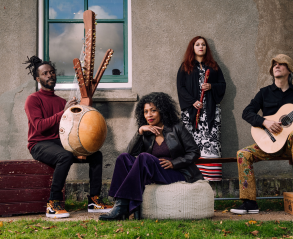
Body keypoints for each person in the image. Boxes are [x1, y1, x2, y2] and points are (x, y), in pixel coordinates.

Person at [230, 54, 293, 215]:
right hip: (269, 145)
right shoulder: (264, 93)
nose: (276, 66)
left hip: (291, 147)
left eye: (281, 64)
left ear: (289, 70)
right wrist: (265, 122)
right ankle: (250, 203)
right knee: (242, 154)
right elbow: (246, 113)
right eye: (274, 64)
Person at [24, 56, 109, 218]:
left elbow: (67, 128)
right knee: (65, 156)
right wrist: (63, 112)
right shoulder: (33, 99)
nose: (49, 75)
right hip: (39, 144)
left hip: (59, 143)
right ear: (38, 78)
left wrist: (76, 112)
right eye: (45, 73)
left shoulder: (62, 101)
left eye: (52, 72)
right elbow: (40, 127)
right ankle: (53, 203)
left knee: (96, 155)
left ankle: (94, 201)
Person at [99, 92, 203, 221]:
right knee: (123, 158)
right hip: (156, 172)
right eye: (146, 111)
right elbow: (130, 153)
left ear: (162, 111)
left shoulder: (177, 128)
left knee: (144, 157)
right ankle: (120, 204)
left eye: (153, 110)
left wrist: (174, 163)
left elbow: (194, 152)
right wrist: (140, 132)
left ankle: (122, 208)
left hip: (177, 172)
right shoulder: (147, 132)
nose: (149, 115)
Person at [177, 36, 226, 181]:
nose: (201, 47)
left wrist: (211, 86)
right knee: (192, 142)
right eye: (197, 44)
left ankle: (210, 178)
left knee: (210, 141)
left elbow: (222, 85)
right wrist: (193, 101)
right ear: (192, 47)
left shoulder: (214, 66)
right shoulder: (185, 66)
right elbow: (181, 88)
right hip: (192, 113)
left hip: (210, 112)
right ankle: (193, 176)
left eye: (203, 44)